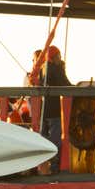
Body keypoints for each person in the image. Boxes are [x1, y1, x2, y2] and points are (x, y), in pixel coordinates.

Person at [35, 46, 72, 175]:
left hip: (44, 110)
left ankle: (43, 167)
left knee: (44, 138)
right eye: (59, 56)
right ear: (54, 57)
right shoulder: (56, 68)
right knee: (56, 139)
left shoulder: (43, 68)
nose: (60, 58)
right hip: (56, 109)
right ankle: (54, 167)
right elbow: (66, 85)